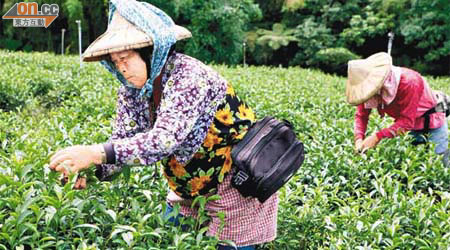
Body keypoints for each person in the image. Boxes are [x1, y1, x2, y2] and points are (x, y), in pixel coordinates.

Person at [48, 0, 278, 249]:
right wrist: (91, 170)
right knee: (170, 239)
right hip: (188, 188)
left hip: (234, 187)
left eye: (125, 58)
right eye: (115, 62)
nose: (121, 68)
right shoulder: (132, 92)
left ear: (151, 51)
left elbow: (164, 141)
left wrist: (94, 153)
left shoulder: (188, 76)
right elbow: (122, 141)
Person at [346, 52, 449, 167]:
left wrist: (377, 137)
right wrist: (359, 139)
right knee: (413, 165)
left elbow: (406, 122)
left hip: (432, 121)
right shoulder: (367, 91)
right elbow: (361, 115)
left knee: (441, 163)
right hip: (409, 128)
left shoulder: (410, 82)